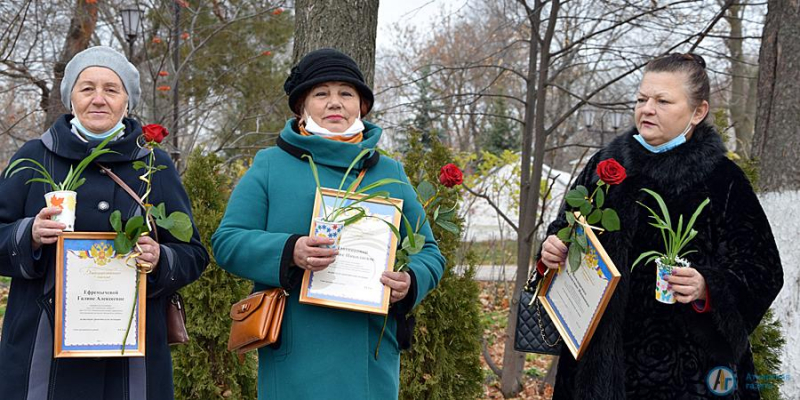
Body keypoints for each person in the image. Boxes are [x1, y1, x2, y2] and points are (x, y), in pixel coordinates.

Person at [537, 53, 783, 399]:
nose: (647, 109)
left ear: (698, 112)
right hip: (598, 370)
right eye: (641, 99)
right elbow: (566, 228)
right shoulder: (606, 164)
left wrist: (706, 286)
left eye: (663, 100)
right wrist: (551, 248)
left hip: (688, 374)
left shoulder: (722, 179)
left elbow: (763, 270)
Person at [212, 48, 445, 400]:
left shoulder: (389, 171)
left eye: (346, 93)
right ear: (301, 106)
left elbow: (429, 251)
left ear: (362, 106)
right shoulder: (270, 165)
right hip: (296, 348)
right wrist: (290, 250)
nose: (335, 103)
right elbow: (227, 241)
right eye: (321, 93)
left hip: (370, 352)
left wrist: (410, 281)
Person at [0, 46, 209, 400]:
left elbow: (193, 253)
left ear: (127, 101)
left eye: (111, 89)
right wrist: (30, 235)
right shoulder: (34, 157)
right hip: (41, 352)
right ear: (70, 98)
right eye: (87, 88)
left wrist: (160, 259)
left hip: (131, 359)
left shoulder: (154, 164)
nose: (99, 99)